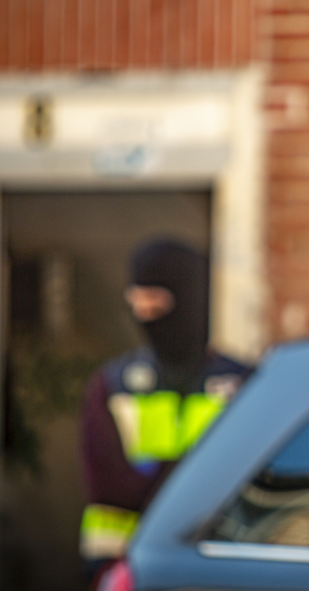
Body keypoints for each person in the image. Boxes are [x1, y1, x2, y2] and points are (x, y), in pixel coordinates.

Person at [79, 238, 252, 583]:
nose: (145, 317)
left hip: (218, 564)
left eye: (156, 304)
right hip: (124, 565)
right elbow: (108, 485)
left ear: (189, 301)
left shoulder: (242, 384)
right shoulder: (112, 385)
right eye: (137, 303)